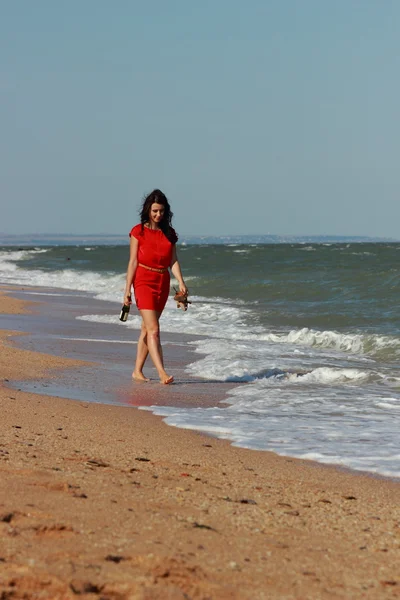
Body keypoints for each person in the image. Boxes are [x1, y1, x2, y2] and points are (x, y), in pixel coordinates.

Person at [123, 189, 188, 384]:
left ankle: (137, 371)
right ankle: (162, 373)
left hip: (162, 281)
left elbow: (173, 261)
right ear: (148, 210)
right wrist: (127, 290)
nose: (158, 215)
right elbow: (133, 261)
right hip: (143, 280)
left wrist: (182, 284)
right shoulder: (138, 231)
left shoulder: (169, 234)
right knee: (154, 329)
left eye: (161, 211)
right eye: (155, 211)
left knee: (146, 328)